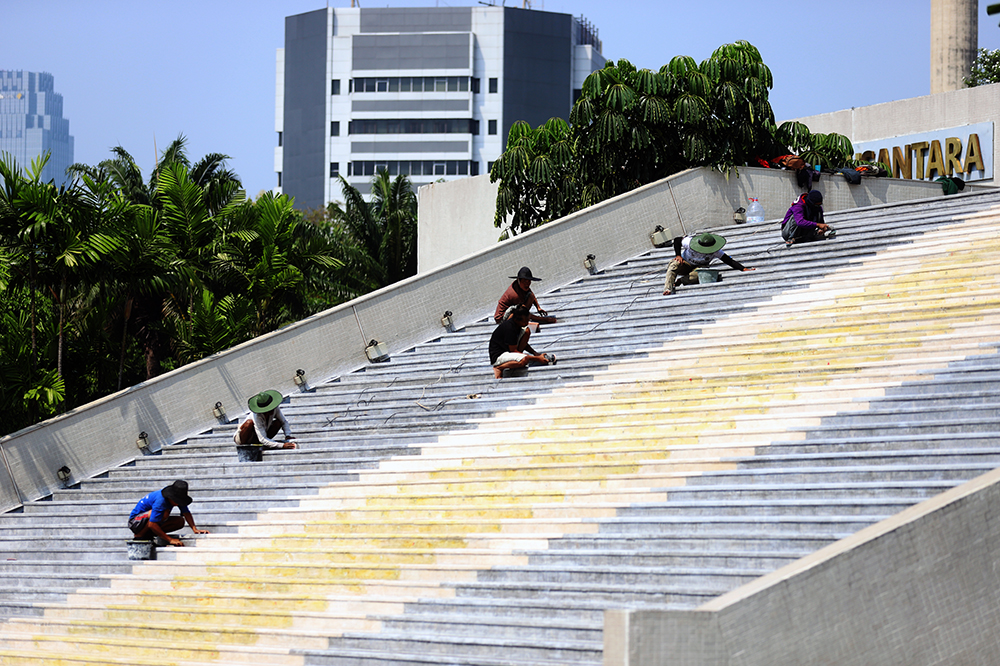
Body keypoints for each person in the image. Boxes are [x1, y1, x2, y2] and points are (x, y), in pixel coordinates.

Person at [662, 232, 755, 296]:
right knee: (674, 264)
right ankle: (668, 289)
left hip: (699, 268)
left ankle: (681, 281)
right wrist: (678, 255)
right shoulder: (689, 242)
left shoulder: (716, 251)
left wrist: (743, 269)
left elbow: (728, 260)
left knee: (703, 275)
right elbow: (677, 240)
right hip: (685, 264)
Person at [128, 480, 208, 547]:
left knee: (180, 521)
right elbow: (152, 524)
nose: (177, 504)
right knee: (164, 513)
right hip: (136, 522)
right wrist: (170, 540)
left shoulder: (178, 499)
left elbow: (186, 513)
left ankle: (150, 535)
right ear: (170, 497)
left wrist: (194, 529)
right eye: (176, 501)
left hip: (151, 521)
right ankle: (140, 536)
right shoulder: (161, 501)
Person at [488, 306, 555, 379]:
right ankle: (499, 367)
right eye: (525, 321)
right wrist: (537, 358)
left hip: (508, 350)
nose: (527, 322)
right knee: (524, 360)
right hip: (499, 355)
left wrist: (534, 353)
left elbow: (523, 343)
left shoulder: (517, 325)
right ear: (517, 320)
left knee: (526, 330)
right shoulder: (510, 328)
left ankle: (517, 359)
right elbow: (513, 350)